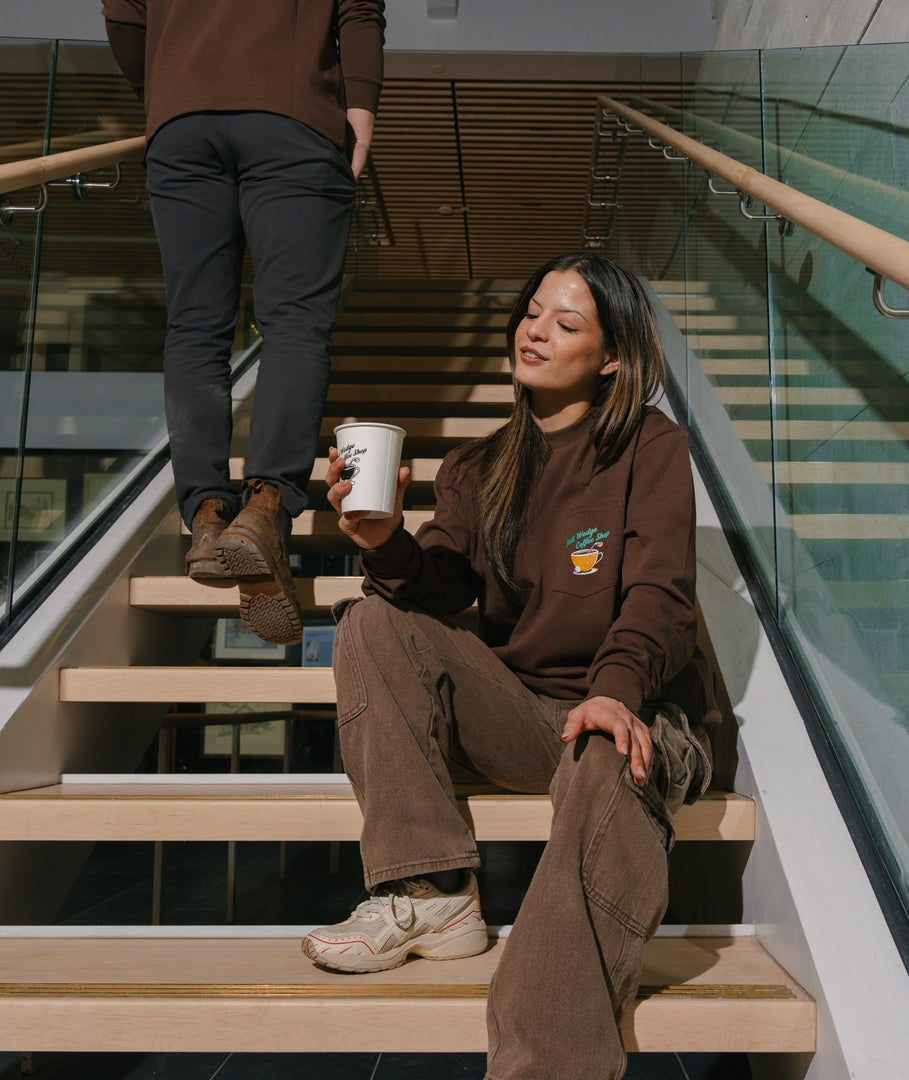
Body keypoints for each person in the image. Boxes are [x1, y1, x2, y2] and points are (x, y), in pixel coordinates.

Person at [302, 253, 716, 1079]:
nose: (536, 331)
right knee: (372, 620)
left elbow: (660, 595)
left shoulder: (650, 447)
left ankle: (544, 1064)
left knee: (605, 757)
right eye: (532, 312)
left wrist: (614, 693)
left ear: (611, 357)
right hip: (525, 714)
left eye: (566, 322)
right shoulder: (477, 465)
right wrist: (384, 543)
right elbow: (437, 587)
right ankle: (431, 893)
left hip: (634, 712)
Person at [102, 0, 386, 644]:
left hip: (181, 122)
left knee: (195, 328)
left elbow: (123, 17)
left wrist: (172, 87)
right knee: (294, 323)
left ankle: (207, 514)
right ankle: (266, 508)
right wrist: (360, 113)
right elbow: (359, 9)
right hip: (294, 115)